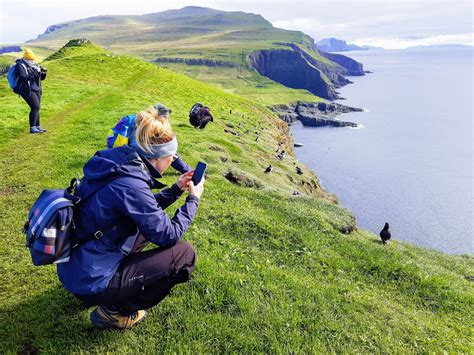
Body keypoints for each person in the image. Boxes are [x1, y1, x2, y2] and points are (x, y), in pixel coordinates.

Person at [56, 107, 205, 329]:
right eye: (171, 155)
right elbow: (168, 235)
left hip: (73, 267)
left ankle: (112, 285)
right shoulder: (132, 185)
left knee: (144, 226)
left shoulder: (119, 164)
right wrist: (193, 200)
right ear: (155, 157)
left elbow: (142, 209)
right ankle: (116, 312)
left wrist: (175, 189)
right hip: (91, 281)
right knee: (185, 254)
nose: (173, 159)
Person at [109, 103, 192, 174]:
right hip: (129, 158)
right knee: (167, 152)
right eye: (166, 118)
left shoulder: (145, 122)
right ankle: (188, 171)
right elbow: (121, 145)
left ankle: (188, 171)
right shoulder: (145, 127)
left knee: (169, 153)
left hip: (125, 156)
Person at [15, 48, 47, 134]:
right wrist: (35, 73)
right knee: (35, 107)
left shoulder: (34, 65)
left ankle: (38, 126)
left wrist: (43, 73)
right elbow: (24, 78)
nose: (32, 61)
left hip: (37, 89)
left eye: (33, 59)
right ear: (25, 58)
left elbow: (41, 79)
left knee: (37, 108)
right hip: (27, 90)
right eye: (30, 59)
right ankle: (32, 128)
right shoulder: (20, 65)